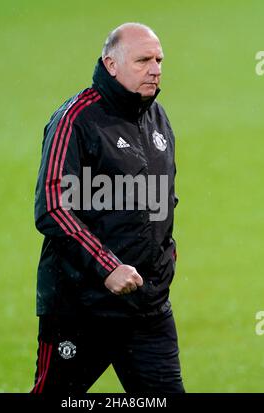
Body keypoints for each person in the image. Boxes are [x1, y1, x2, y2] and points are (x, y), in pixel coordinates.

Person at [31, 22, 184, 393]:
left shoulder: (157, 116)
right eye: (143, 60)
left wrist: (166, 256)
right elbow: (52, 206)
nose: (155, 69)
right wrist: (107, 266)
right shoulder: (76, 119)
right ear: (111, 64)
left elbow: (162, 198)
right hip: (82, 309)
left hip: (147, 306)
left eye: (159, 59)